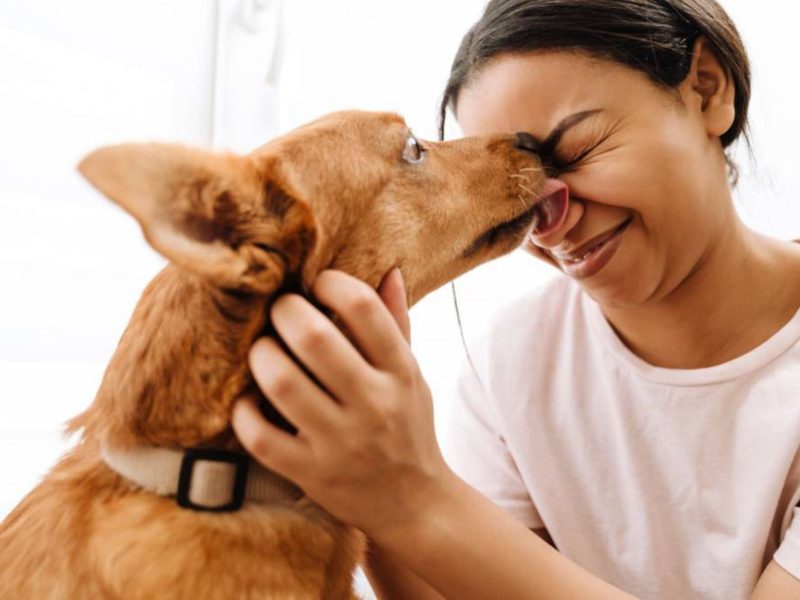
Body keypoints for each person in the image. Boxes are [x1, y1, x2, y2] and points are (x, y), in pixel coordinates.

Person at [231, 0, 800, 597]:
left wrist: (411, 490)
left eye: (577, 150)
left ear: (708, 91)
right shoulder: (512, 362)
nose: (550, 224)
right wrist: (356, 470)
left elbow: (432, 516)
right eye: (520, 196)